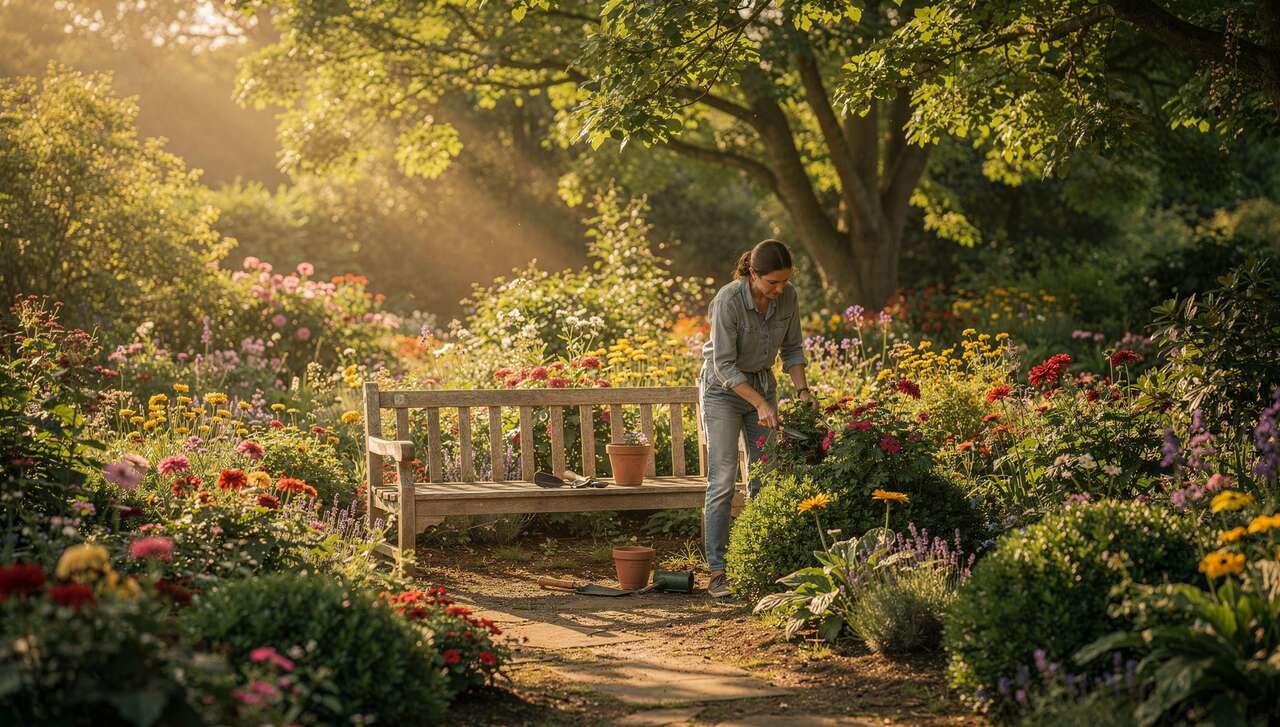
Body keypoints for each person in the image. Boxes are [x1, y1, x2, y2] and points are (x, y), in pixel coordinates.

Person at [699, 239, 812, 598]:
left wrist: (804, 392)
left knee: (764, 477)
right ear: (753, 274)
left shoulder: (788, 297)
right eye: (771, 283)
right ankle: (718, 571)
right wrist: (761, 404)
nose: (779, 290)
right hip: (723, 392)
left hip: (762, 383)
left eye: (784, 282)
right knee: (722, 480)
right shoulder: (728, 301)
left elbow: (792, 349)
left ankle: (759, 561)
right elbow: (725, 365)